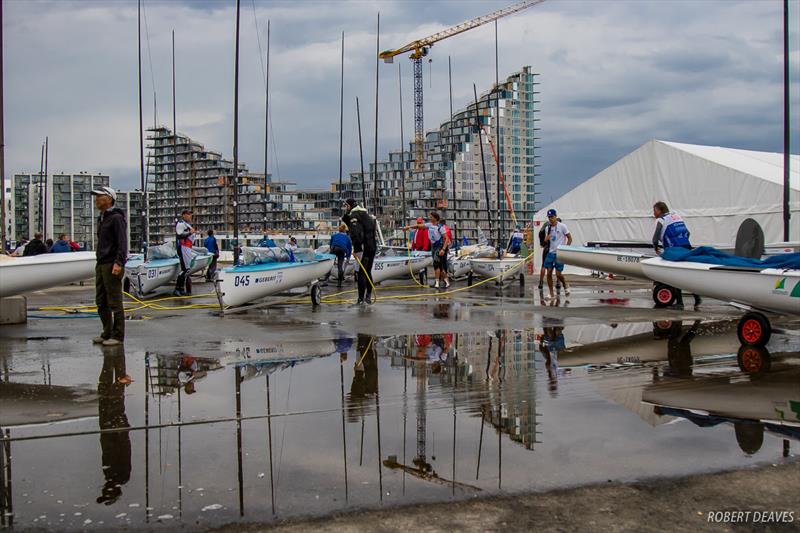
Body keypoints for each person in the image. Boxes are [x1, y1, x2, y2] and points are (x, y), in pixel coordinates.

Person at [91, 186, 128, 346]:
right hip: (101, 262)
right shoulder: (102, 217)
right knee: (101, 300)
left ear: (109, 199)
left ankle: (118, 335)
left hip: (112, 263)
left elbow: (122, 242)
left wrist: (119, 262)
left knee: (114, 301)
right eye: (96, 197)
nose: (96, 200)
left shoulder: (116, 218)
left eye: (100, 196)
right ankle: (107, 332)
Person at [96, 345, 132, 505]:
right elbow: (124, 450)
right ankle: (114, 362)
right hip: (113, 428)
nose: (104, 488)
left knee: (106, 393)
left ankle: (111, 361)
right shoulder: (120, 476)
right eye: (106, 491)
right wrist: (121, 432)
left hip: (110, 428)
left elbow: (118, 450)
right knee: (112, 396)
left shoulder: (113, 475)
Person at [652, 201, 700, 307]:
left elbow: (655, 239)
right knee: (686, 275)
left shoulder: (661, 220)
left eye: (654, 211)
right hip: (686, 246)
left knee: (675, 275)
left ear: (659, 210)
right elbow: (688, 233)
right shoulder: (676, 216)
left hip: (674, 250)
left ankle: (679, 302)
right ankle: (697, 297)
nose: (653, 214)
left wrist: (656, 248)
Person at [341, 198, 377, 305]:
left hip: (362, 248)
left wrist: (356, 250)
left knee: (361, 273)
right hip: (372, 247)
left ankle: (360, 299)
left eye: (346, 206)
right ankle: (368, 296)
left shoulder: (355, 216)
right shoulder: (365, 214)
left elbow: (356, 233)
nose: (345, 208)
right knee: (368, 271)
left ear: (350, 206)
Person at [405, 211, 450, 289]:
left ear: (435, 218)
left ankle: (437, 283)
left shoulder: (440, 227)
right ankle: (446, 281)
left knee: (436, 264)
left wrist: (443, 249)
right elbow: (418, 226)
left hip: (439, 246)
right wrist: (408, 227)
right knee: (439, 266)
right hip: (433, 247)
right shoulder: (429, 225)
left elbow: (447, 239)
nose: (430, 218)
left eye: (431, 217)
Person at [543, 209, 572, 298]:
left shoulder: (562, 226)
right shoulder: (547, 228)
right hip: (551, 252)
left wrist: (566, 248)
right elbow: (544, 242)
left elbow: (570, 238)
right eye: (549, 217)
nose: (550, 219)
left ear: (556, 216)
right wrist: (545, 239)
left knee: (558, 274)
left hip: (560, 252)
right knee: (549, 273)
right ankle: (551, 293)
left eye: (552, 217)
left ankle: (565, 285)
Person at [174, 209, 196, 297]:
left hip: (187, 248)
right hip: (183, 247)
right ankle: (177, 289)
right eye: (188, 214)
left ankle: (181, 289)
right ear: (183, 215)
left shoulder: (187, 224)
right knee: (185, 270)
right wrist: (189, 233)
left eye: (190, 214)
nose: (190, 216)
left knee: (186, 269)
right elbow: (179, 235)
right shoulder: (181, 224)